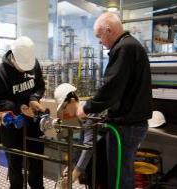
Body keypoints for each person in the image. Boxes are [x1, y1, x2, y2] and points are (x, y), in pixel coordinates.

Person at [77, 12, 152, 189]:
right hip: (133, 124)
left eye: (99, 36)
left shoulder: (124, 48)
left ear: (108, 30)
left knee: (119, 179)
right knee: (123, 173)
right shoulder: (132, 45)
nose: (99, 41)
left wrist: (87, 108)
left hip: (126, 127)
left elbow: (111, 87)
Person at [0, 36, 45, 189]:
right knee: (15, 164)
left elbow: (40, 86)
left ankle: (37, 186)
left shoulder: (34, 64)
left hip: (33, 123)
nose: (25, 70)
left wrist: (34, 98)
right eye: (22, 66)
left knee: (37, 161)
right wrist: (20, 107)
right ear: (13, 57)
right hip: (12, 125)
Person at [54, 83, 107, 189]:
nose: (65, 111)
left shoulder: (88, 112)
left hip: (104, 156)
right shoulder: (81, 113)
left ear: (72, 100)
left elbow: (88, 147)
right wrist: (71, 165)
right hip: (97, 155)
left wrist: (74, 175)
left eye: (64, 107)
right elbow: (82, 142)